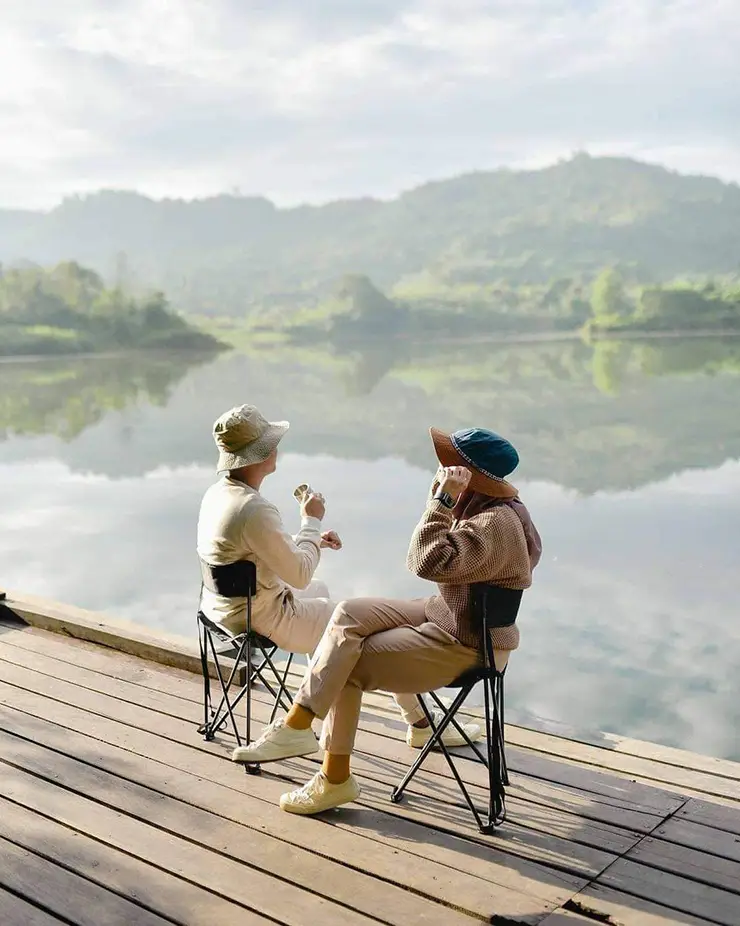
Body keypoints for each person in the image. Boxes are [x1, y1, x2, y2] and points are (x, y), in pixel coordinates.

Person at [234, 425, 542, 815]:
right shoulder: (492, 510)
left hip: (469, 643)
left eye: (450, 466)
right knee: (348, 613)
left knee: (346, 665)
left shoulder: (495, 523)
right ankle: (297, 726)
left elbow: (423, 560)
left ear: (472, 476)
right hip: (449, 614)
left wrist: (442, 501)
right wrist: (448, 499)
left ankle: (335, 779)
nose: (441, 471)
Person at [196, 405, 482, 760]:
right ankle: (419, 724)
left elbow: (264, 555)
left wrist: (312, 540)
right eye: (272, 443)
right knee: (361, 632)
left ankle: (321, 683)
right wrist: (311, 521)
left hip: (222, 608)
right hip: (261, 616)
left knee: (326, 595)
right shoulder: (253, 510)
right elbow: (298, 574)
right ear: (263, 453)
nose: (276, 449)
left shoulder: (219, 495)